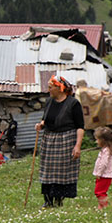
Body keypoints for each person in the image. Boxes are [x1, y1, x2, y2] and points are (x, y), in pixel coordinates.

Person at [35, 75, 85, 207]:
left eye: (51, 87)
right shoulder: (49, 102)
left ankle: (59, 200)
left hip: (65, 140)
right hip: (49, 139)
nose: (48, 90)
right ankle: (47, 201)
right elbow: (46, 119)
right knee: (47, 171)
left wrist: (77, 146)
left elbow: (80, 127)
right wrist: (41, 124)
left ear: (60, 88)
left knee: (61, 172)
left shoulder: (73, 104)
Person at [92, 127, 112, 210]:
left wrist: (99, 173)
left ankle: (104, 206)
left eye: (97, 139)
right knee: (99, 192)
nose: (96, 141)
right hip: (103, 175)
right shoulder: (105, 149)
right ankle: (101, 206)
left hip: (104, 175)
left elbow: (103, 163)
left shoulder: (106, 151)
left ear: (103, 140)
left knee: (100, 192)